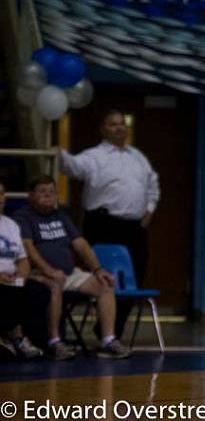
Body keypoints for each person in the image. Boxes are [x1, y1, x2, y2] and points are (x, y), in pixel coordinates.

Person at [59, 109, 160, 339]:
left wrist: (150, 209)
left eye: (122, 124)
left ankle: (109, 332)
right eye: (113, 124)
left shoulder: (138, 157)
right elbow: (72, 167)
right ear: (103, 129)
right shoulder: (94, 156)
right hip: (103, 224)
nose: (119, 128)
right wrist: (59, 153)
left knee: (135, 278)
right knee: (106, 278)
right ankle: (108, 335)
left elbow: (153, 183)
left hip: (134, 227)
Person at [13, 177, 129, 359]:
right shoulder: (23, 216)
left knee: (104, 284)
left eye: (51, 192)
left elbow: (80, 244)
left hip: (69, 273)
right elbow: (28, 248)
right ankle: (55, 343)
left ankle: (108, 341)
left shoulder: (61, 216)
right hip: (38, 274)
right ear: (31, 195)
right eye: (42, 191)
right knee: (55, 284)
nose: (48, 195)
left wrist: (98, 269)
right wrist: (48, 270)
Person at [0, 181, 45, 361]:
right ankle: (11, 337)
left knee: (39, 291)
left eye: (2, 194)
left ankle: (21, 339)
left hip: (12, 278)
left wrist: (21, 277)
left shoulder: (11, 224)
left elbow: (23, 259)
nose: (0, 198)